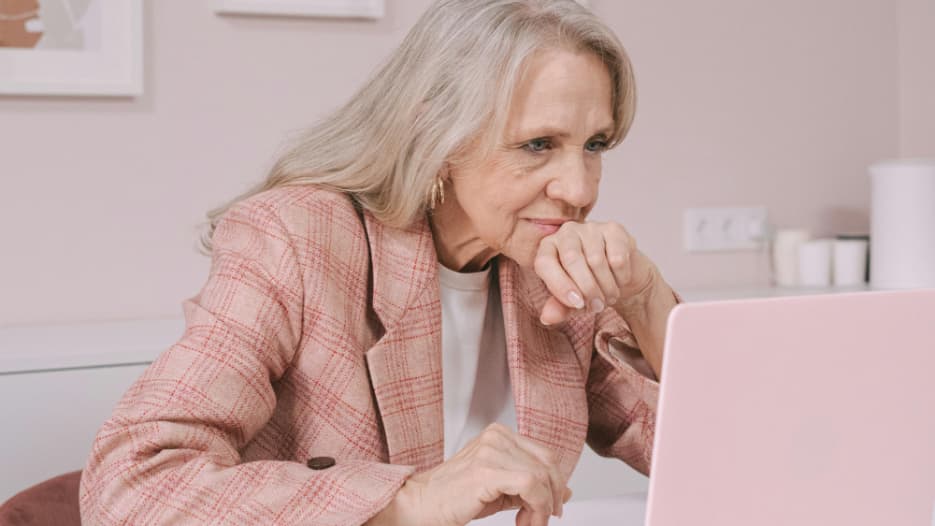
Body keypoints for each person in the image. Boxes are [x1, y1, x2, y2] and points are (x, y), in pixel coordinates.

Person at [79, 1, 680, 524]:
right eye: (537, 145)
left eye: (595, 145)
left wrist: (645, 297)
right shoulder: (296, 239)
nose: (579, 190)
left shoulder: (551, 266)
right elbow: (130, 486)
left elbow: (720, 458)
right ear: (439, 135)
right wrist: (410, 501)